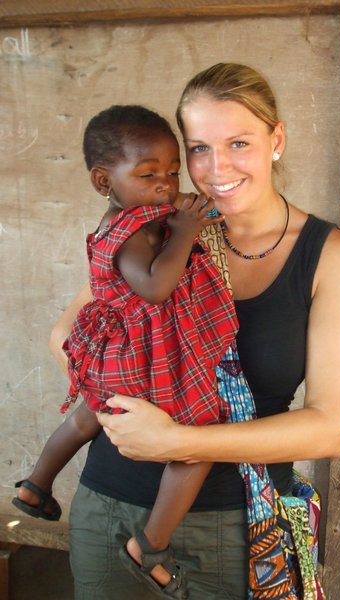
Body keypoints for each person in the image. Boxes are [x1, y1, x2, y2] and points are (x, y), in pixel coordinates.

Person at [49, 63, 340, 599]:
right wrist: (123, 403)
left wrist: (177, 439)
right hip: (112, 507)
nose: (217, 168)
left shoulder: (328, 255)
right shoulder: (159, 229)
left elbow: (328, 429)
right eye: (199, 148)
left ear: (276, 140)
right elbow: (65, 336)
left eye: (239, 142)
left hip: (237, 525)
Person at [13, 104, 238, 599]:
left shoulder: (134, 213)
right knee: (198, 445)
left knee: (86, 418)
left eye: (173, 172)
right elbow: (155, 288)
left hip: (115, 355)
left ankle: (35, 485)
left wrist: (180, 215)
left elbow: (170, 213)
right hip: (143, 356)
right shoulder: (130, 230)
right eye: (148, 174)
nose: (165, 185)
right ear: (103, 180)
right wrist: (185, 232)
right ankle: (150, 545)